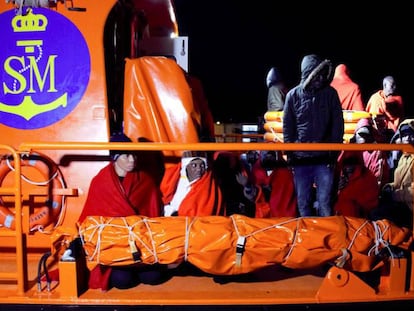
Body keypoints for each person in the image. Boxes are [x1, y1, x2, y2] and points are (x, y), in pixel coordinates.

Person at [78, 132, 165, 290]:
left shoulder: (145, 179)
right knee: (122, 281)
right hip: (114, 246)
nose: (132, 160)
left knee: (153, 277)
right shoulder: (101, 181)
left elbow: (153, 214)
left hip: (141, 242)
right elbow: (91, 218)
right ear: (115, 157)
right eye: (126, 155)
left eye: (134, 155)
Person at [283, 54, 344, 217]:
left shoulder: (330, 94)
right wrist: (290, 155)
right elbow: (288, 128)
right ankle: (308, 238)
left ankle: (327, 237)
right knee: (303, 202)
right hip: (301, 159)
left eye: (323, 74)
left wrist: (334, 153)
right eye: (318, 74)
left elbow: (337, 125)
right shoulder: (293, 96)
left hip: (324, 159)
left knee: (325, 202)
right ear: (309, 74)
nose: (322, 77)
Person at [370, 119, 414, 229]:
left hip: (409, 207)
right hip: (402, 203)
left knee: (377, 215)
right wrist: (388, 187)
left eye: (411, 135)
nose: (407, 138)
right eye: (404, 135)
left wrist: (395, 195)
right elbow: (399, 182)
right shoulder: (405, 157)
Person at [161, 151, 225, 216]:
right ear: (186, 167)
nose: (198, 169)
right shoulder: (174, 181)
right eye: (194, 165)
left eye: (202, 165)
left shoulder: (208, 185)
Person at [248, 150, 298, 217]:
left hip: (283, 215)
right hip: (262, 215)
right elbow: (252, 196)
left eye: (271, 154)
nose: (268, 157)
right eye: (265, 154)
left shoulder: (284, 173)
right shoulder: (256, 171)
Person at [334, 151, 379, 218]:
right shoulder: (341, 176)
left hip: (358, 216)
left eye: (351, 163)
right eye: (346, 164)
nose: (348, 168)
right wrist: (336, 189)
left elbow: (371, 202)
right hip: (341, 218)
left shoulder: (368, 177)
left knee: (347, 206)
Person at [349, 118, 390, 188]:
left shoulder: (377, 153)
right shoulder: (349, 150)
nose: (363, 138)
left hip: (369, 190)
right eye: (361, 135)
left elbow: (378, 178)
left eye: (366, 135)